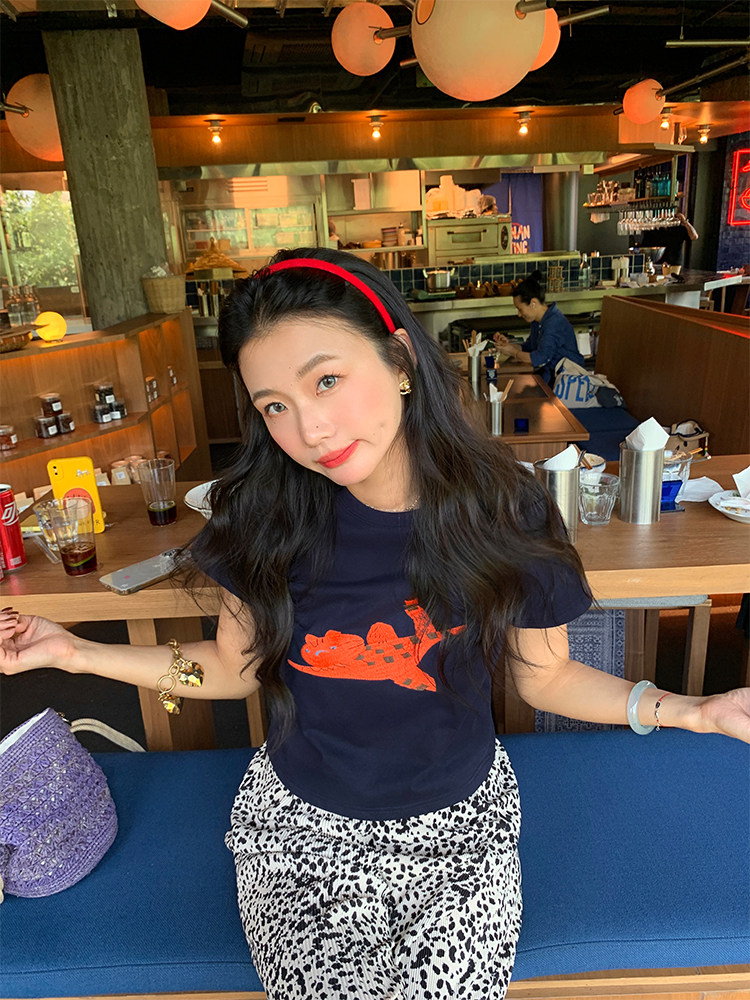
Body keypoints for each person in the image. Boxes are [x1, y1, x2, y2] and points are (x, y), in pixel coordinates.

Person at [1, 246, 748, 1000]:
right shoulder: (262, 517)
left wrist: (690, 710)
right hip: (300, 830)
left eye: (326, 380)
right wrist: (77, 654)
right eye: (274, 406)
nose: (310, 429)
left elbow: (545, 675)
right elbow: (230, 667)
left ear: (399, 360)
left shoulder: (504, 510)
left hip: (460, 829)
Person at [493, 270, 584, 385]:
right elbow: (530, 347)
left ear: (533, 303)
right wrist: (508, 346)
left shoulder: (553, 323)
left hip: (567, 382)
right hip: (551, 378)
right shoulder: (538, 321)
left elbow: (540, 358)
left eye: (520, 309)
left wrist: (513, 352)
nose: (519, 314)